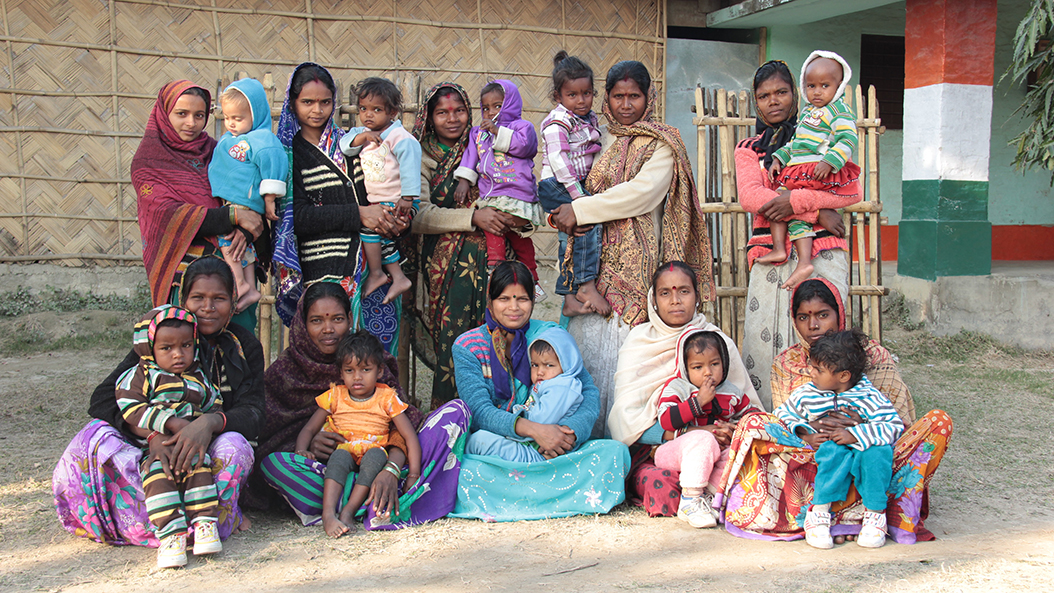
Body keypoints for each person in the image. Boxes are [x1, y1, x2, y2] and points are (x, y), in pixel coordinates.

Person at [717, 278, 953, 545]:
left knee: (936, 423)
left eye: (823, 315)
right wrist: (808, 432)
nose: (813, 325)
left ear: (839, 314)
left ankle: (864, 513)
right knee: (753, 424)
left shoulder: (873, 356)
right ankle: (840, 515)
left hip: (875, 452)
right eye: (803, 317)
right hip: (812, 456)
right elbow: (786, 417)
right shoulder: (787, 362)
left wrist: (860, 426)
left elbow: (897, 422)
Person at [54, 256, 264, 548]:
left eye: (219, 298)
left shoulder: (244, 346)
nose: (208, 307)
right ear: (182, 299)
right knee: (94, 435)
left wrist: (207, 423)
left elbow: (254, 412)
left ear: (233, 300)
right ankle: (150, 522)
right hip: (152, 448)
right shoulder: (162, 338)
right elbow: (104, 398)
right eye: (198, 298)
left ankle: (205, 519)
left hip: (206, 449)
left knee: (236, 447)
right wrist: (154, 435)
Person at [549, 61, 714, 425]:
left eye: (634, 96)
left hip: (642, 270)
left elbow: (640, 195)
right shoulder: (593, 136)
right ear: (605, 98)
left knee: (632, 366)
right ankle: (583, 438)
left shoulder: (662, 142)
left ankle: (632, 445)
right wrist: (562, 213)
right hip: (593, 264)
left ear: (649, 97)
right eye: (618, 96)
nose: (626, 105)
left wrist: (580, 210)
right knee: (586, 355)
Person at [252, 281, 471, 530]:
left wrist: (389, 469)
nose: (328, 329)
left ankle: (376, 494)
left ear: (349, 318)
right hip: (327, 473)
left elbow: (404, 426)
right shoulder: (284, 374)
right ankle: (369, 503)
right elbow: (269, 439)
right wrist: (309, 445)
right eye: (316, 321)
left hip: (383, 460)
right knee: (272, 464)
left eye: (337, 319)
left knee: (456, 412)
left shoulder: (376, 365)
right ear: (302, 324)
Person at [451, 261, 629, 520]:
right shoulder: (467, 346)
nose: (514, 307)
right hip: (502, 450)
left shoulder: (549, 335)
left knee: (616, 452)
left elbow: (588, 391)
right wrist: (535, 430)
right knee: (467, 459)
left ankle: (519, 493)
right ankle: (559, 493)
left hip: (554, 451)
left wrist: (567, 435)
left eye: (522, 298)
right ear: (489, 301)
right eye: (504, 299)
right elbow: (479, 411)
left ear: (532, 300)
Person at [734, 60, 860, 410]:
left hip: (821, 251)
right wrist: (817, 207)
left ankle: (827, 417)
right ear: (755, 102)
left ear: (796, 93)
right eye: (764, 95)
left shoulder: (821, 133)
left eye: (781, 92)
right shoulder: (749, 148)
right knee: (763, 340)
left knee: (822, 334)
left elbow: (852, 192)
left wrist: (798, 201)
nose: (773, 101)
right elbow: (752, 197)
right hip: (770, 251)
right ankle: (767, 419)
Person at [271, 62, 403, 351]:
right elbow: (299, 218)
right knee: (327, 355)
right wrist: (358, 214)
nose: (316, 110)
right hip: (322, 268)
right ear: (293, 103)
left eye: (325, 102)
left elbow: (378, 186)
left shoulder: (349, 143)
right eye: (307, 102)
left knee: (370, 359)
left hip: (369, 262)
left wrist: (389, 215)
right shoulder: (288, 154)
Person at [608, 261, 756, 517]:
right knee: (662, 487)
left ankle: (713, 496)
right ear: (653, 300)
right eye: (665, 293)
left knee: (750, 473)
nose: (675, 300)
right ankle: (703, 498)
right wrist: (694, 432)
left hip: (720, 449)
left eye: (684, 291)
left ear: (697, 297)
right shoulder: (639, 342)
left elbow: (743, 406)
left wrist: (728, 431)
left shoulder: (718, 342)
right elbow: (627, 421)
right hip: (658, 453)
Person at [409, 82, 513, 408]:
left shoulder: (485, 143)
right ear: (430, 116)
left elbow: (511, 185)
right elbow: (419, 215)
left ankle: (496, 417)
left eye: (459, 111)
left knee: (497, 338)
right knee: (453, 341)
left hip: (494, 262)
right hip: (445, 271)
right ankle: (447, 419)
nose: (452, 119)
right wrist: (472, 218)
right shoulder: (420, 154)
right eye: (442, 112)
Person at [131, 80, 265, 331]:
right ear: (163, 113)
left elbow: (247, 192)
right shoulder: (148, 162)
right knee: (186, 346)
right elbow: (166, 213)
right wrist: (233, 216)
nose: (191, 123)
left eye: (199, 115)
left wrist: (245, 229)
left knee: (238, 349)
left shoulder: (218, 151)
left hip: (233, 270)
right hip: (185, 277)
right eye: (182, 114)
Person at [116, 305, 224, 567]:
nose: (178, 355)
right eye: (167, 348)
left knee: (201, 470)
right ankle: (171, 535)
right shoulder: (142, 374)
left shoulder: (198, 378)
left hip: (191, 444)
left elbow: (215, 404)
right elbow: (129, 406)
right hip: (157, 446)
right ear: (148, 347)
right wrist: (169, 423)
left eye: (186, 345)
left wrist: (204, 425)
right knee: (158, 478)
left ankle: (204, 524)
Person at [775, 329, 903, 549]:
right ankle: (820, 512)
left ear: (843, 376)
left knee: (878, 452)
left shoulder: (869, 397)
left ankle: (875, 515)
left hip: (865, 449)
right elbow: (781, 415)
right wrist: (807, 433)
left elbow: (893, 426)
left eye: (819, 370)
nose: (811, 373)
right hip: (829, 450)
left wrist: (856, 434)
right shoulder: (807, 394)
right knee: (833, 450)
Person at [296, 331, 421, 537]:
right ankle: (328, 514)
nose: (357, 377)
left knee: (375, 456)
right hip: (343, 449)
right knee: (338, 456)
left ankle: (348, 512)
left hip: (374, 452)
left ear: (380, 371)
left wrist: (414, 474)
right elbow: (309, 428)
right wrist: (302, 449)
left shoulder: (387, 397)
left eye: (365, 369)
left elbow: (409, 437)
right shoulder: (334, 395)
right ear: (340, 373)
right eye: (349, 370)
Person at [760, 51, 861, 291]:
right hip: (796, 174)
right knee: (783, 205)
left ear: (838, 86)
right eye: (811, 86)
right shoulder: (804, 116)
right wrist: (777, 159)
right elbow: (794, 145)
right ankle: (782, 250)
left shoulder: (838, 111)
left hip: (816, 173)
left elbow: (848, 139)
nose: (817, 91)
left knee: (787, 202)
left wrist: (831, 161)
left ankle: (802, 259)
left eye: (824, 86)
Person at [653, 329, 762, 529]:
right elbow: (667, 422)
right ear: (685, 368)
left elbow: (753, 416)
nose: (708, 372)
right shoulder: (678, 388)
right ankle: (690, 500)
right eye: (697, 366)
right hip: (675, 452)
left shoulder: (731, 391)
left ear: (725, 364)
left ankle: (713, 498)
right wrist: (699, 401)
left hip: (714, 457)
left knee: (740, 452)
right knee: (704, 439)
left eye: (715, 364)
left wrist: (733, 429)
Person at [453, 79, 544, 294]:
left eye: (497, 106)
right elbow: (470, 156)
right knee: (494, 229)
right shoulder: (478, 133)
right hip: (492, 196)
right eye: (485, 108)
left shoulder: (522, 127)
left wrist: (497, 131)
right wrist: (465, 180)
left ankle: (533, 277)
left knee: (520, 240)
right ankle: (496, 268)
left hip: (517, 194)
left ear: (510, 104)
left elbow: (525, 147)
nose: (490, 112)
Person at [339, 77, 421, 304]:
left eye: (377, 109)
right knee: (382, 238)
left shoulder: (399, 137)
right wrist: (363, 136)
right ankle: (397, 276)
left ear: (392, 112)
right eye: (363, 109)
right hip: (381, 202)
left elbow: (410, 166)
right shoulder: (363, 133)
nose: (368, 115)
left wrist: (408, 197)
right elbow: (345, 147)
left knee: (370, 230)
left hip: (398, 200)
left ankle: (378, 273)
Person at [536, 51, 606, 316]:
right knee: (588, 223)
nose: (581, 100)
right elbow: (559, 162)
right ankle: (586, 285)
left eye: (587, 93)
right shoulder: (557, 122)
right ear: (559, 97)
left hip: (572, 184)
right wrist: (580, 199)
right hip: (558, 184)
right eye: (572, 95)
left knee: (569, 237)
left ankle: (568, 299)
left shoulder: (588, 119)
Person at [209, 78, 288, 312]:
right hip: (233, 201)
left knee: (227, 241)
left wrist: (269, 198)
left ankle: (241, 283)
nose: (231, 124)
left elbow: (273, 166)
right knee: (243, 245)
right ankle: (250, 285)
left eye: (238, 118)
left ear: (257, 114)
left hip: (244, 201)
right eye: (227, 118)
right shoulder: (231, 139)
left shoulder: (262, 140)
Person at [464, 327, 584, 463]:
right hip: (530, 443)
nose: (540, 372)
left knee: (478, 441)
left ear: (568, 363)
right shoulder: (548, 383)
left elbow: (542, 421)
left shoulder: (562, 387)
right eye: (534, 365)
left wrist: (517, 415)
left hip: (538, 452)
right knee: (475, 439)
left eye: (549, 365)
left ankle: (450, 471)